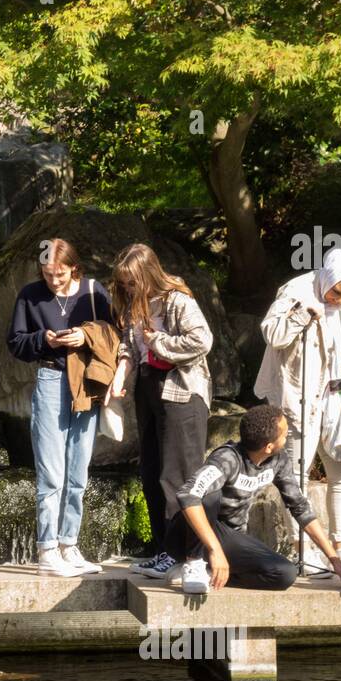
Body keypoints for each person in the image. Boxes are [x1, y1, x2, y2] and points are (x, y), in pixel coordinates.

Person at [167, 404, 341, 594]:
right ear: (269, 446)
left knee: (285, 574)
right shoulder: (227, 458)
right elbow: (188, 494)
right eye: (285, 434)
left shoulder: (278, 461)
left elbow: (300, 507)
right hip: (189, 535)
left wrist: (334, 558)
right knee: (209, 495)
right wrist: (214, 549)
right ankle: (193, 563)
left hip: (231, 537)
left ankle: (211, 572)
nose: (287, 437)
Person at [255, 247, 341, 576]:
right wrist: (304, 314)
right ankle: (301, 547)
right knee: (297, 476)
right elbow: (271, 334)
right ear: (327, 280)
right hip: (297, 393)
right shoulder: (296, 291)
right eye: (337, 294)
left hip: (336, 394)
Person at [7, 238, 114, 578]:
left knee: (78, 471)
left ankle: (70, 544)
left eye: (60, 273)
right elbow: (15, 342)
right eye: (47, 274)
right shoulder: (29, 295)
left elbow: (115, 333)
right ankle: (47, 549)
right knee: (51, 472)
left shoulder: (94, 293)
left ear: (74, 267)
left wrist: (85, 337)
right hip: (51, 379)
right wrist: (44, 340)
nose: (53, 280)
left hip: (86, 382)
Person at [107, 243, 213, 580]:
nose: (127, 288)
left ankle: (188, 554)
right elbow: (128, 343)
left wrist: (158, 343)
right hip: (148, 388)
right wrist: (119, 377)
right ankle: (164, 550)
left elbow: (202, 340)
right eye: (123, 283)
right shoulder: (132, 304)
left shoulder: (178, 300)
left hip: (181, 392)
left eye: (131, 282)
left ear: (148, 274)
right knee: (152, 473)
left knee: (178, 477)